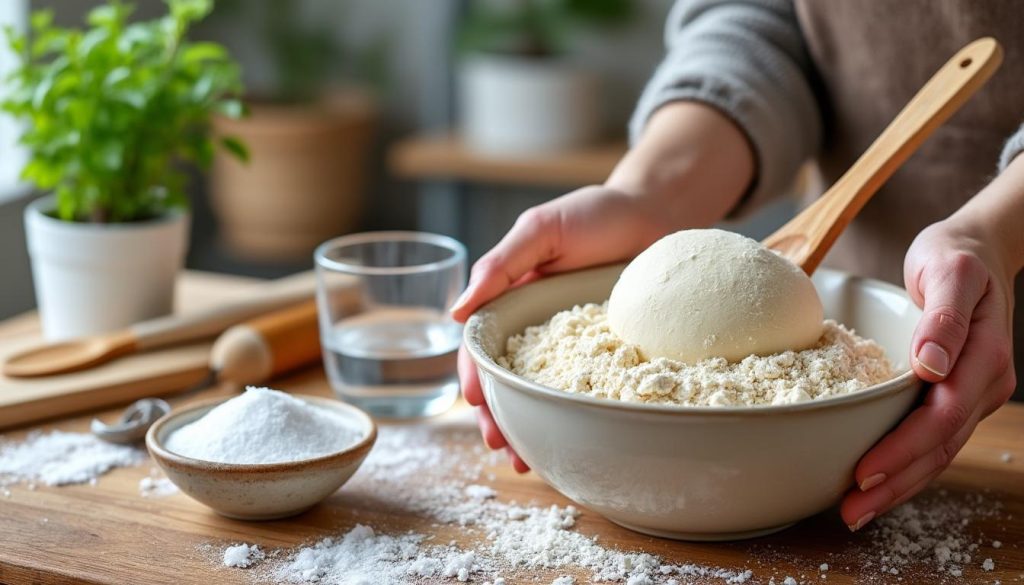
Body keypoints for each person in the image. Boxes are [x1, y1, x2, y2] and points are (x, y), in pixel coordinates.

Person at [450, 0, 1023, 533]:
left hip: (935, 351)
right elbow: (755, 18)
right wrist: (648, 194)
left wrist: (996, 231)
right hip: (862, 306)